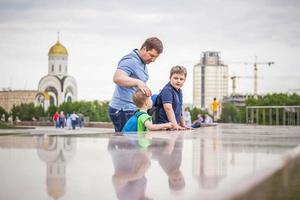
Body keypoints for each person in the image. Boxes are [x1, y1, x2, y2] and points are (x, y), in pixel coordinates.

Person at [109, 37, 164, 132]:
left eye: (156, 57)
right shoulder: (131, 60)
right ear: (144, 49)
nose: (153, 60)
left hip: (132, 108)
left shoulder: (142, 63)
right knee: (127, 145)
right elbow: (117, 78)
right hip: (123, 110)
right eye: (151, 55)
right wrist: (138, 82)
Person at [155, 65, 188, 130]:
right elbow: (168, 108)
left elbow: (180, 109)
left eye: (181, 79)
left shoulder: (179, 91)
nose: (178, 81)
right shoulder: (167, 90)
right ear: (170, 78)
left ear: (184, 80)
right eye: (175, 78)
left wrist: (183, 124)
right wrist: (175, 125)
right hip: (164, 126)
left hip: (172, 126)